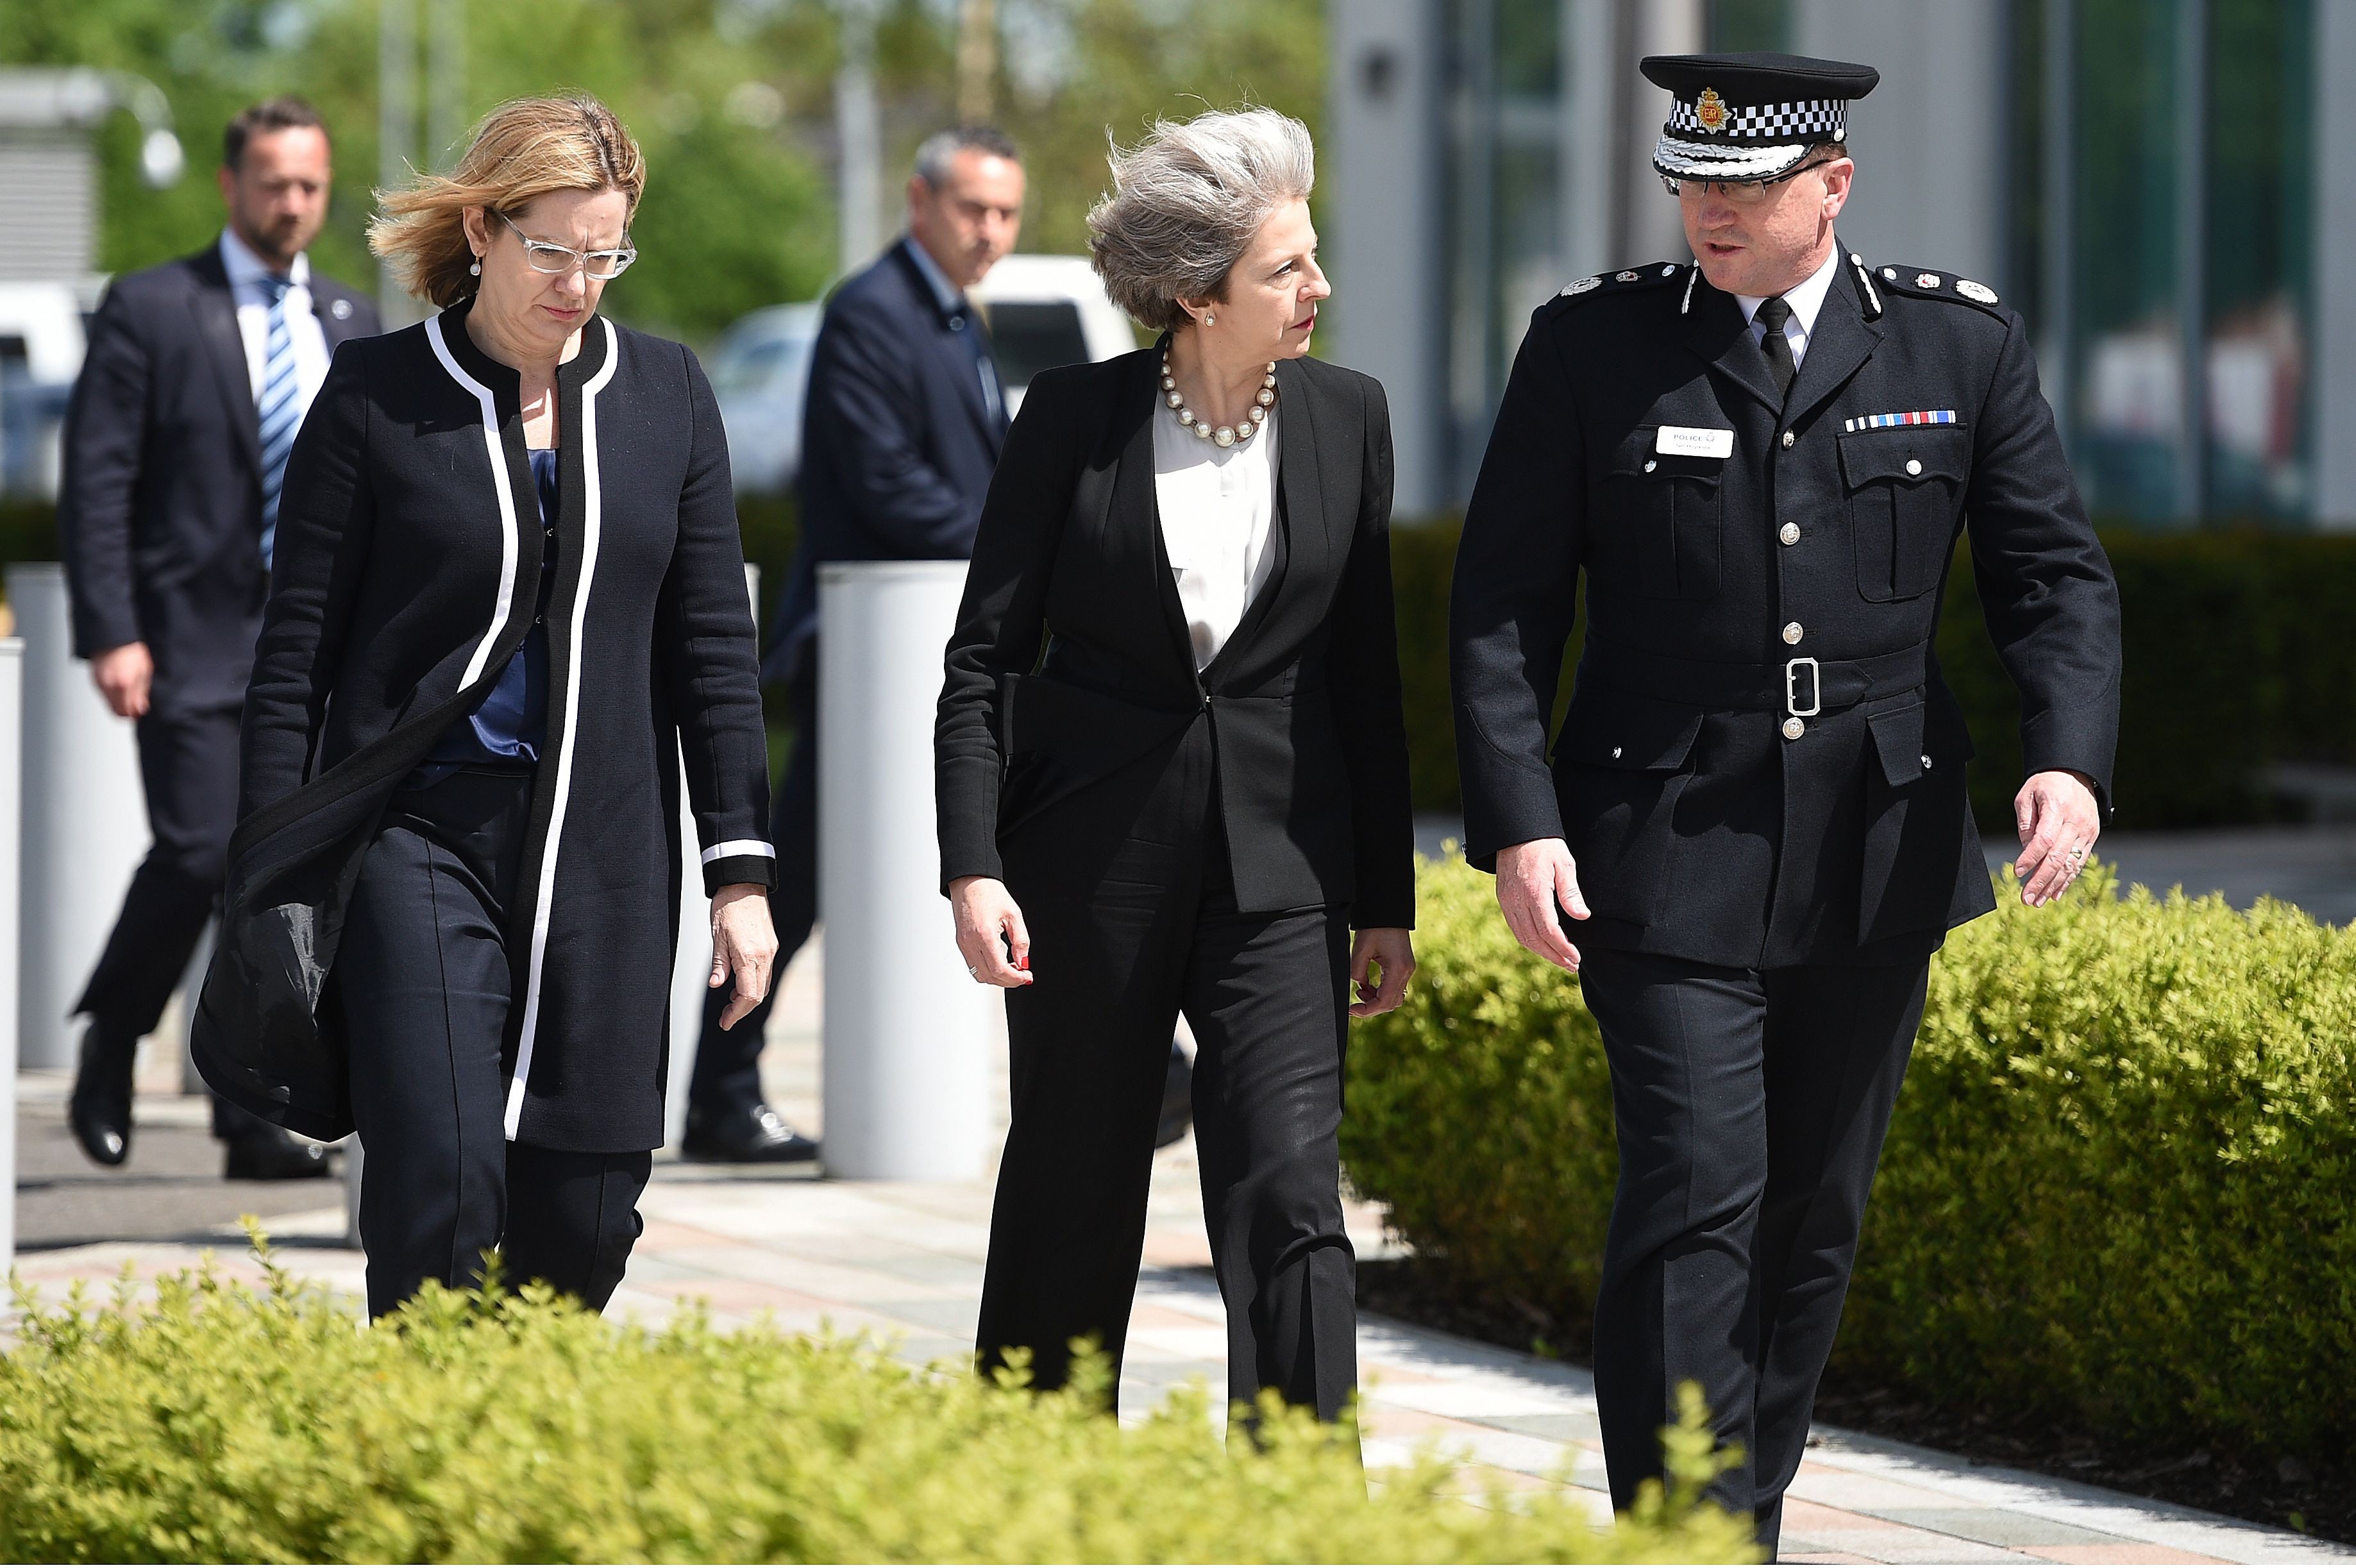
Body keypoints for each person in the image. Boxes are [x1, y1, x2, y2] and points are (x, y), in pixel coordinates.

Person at [1448, 52, 2122, 1549]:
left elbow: (2051, 577)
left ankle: (1738, 1511)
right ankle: (1686, 1533)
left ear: (1832, 183)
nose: (1711, 212)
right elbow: (1499, 603)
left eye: (1745, 185)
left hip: (1874, 842)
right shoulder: (1591, 347)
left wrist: (2066, 754)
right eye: (1691, 182)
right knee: (1694, 1187)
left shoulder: (1955, 347)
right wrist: (1517, 815)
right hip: (1657, 840)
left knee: (1814, 1212)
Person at [192, 95, 777, 1319]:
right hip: (416, 833)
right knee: (444, 1180)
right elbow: (293, 656)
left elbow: (713, 649)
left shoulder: (668, 395)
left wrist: (740, 876)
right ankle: (418, 1477)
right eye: (552, 250)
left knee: (587, 1211)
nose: (578, 283)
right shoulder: (372, 396)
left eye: (605, 253)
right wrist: (266, 877)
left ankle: (520, 1468)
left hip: (607, 841)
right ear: (483, 228)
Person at [938, 107, 1416, 1422]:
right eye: (1286, 269)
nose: (1317, 287)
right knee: (1072, 1192)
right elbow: (981, 659)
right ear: (1199, 295)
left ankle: (1306, 1510)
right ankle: (1036, 1492)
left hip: (1283, 872)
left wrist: (1387, 898)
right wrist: (973, 868)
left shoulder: (1347, 418)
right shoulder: (1069, 420)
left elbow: (1365, 677)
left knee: (1288, 1194)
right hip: (1090, 870)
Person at [677, 126, 1027, 1165]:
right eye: (973, 209)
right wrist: (1016, 548)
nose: (991, 232)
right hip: (865, 649)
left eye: (1007, 213)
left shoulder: (957, 319)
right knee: (804, 877)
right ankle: (719, 1091)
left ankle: (719, 1090)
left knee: (849, 871)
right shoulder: (871, 312)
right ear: (918, 204)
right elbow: (883, 485)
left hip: (929, 641)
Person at [58, 97, 380, 1181]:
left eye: (311, 186)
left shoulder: (354, 320)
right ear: (229, 185)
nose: (294, 204)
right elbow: (98, 480)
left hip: (313, 653)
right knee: (201, 849)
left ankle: (247, 1111)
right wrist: (111, 628)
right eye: (274, 183)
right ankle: (114, 1035)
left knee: (276, 875)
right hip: (187, 642)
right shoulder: (153, 307)